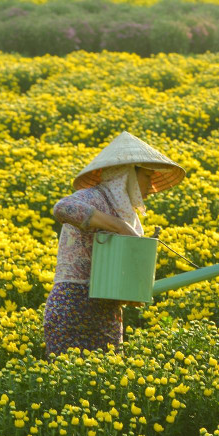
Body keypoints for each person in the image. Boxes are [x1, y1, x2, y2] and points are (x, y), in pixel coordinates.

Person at [44, 131, 185, 357]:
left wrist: (131, 293)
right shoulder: (94, 197)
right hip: (73, 306)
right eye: (148, 176)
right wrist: (120, 227)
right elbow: (62, 208)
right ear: (127, 174)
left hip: (107, 312)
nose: (153, 185)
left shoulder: (128, 214)